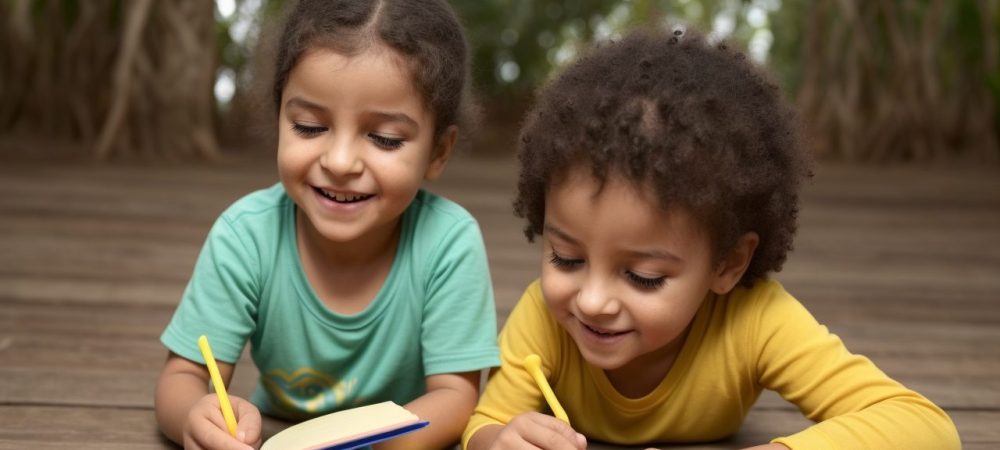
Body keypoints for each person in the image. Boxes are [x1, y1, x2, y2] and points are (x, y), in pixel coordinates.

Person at [462, 28, 960, 450]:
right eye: (566, 258)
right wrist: (500, 437)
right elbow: (483, 424)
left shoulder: (756, 321)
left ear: (728, 263)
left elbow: (925, 425)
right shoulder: (546, 320)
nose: (590, 301)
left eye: (643, 276)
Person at [154, 1, 500, 449]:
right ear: (279, 118)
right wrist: (193, 418)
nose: (339, 162)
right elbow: (182, 377)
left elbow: (456, 397)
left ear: (438, 152)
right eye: (309, 126)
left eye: (384, 139)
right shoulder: (245, 236)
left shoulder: (449, 243)